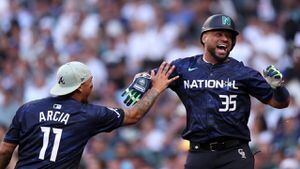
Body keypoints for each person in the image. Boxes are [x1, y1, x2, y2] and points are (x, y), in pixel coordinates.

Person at [121, 14, 290, 169]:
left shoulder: (243, 72)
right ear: (204, 37)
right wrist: (142, 79)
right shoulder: (183, 67)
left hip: (235, 153)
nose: (225, 39)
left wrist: (278, 86)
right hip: (199, 154)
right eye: (219, 34)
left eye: (229, 36)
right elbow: (150, 75)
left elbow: (280, 102)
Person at [0, 61, 179, 168]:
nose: (92, 86)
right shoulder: (88, 114)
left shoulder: (28, 109)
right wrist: (156, 88)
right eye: (89, 82)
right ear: (79, 88)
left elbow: (4, 151)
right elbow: (134, 115)